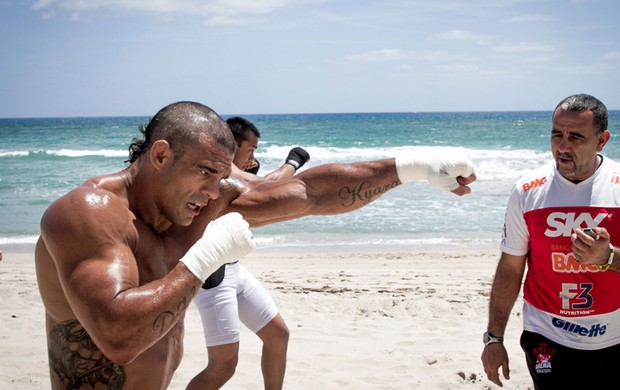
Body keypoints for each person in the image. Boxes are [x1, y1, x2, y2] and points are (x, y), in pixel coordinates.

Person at [35, 101, 476, 389]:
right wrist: (204, 258)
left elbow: (311, 193)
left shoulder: (203, 202)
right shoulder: (87, 213)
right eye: (205, 172)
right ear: (162, 154)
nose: (216, 190)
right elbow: (118, 337)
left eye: (221, 175)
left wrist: (411, 167)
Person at [481, 94, 620, 389]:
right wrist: (494, 338)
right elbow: (510, 266)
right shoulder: (528, 190)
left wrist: (608, 257)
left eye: (576, 137)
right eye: (557, 134)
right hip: (547, 335)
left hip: (614, 337)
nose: (562, 146)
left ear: (602, 140)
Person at [189, 116, 310, 390]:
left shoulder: (238, 175)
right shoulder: (221, 175)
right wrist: (294, 162)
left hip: (234, 271)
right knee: (223, 367)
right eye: (251, 149)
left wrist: (253, 173)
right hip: (213, 281)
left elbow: (257, 188)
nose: (253, 156)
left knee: (278, 335)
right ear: (232, 146)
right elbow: (270, 189)